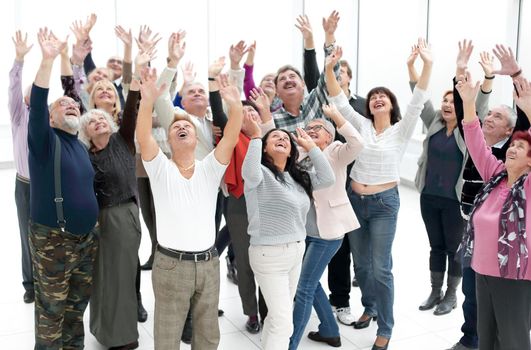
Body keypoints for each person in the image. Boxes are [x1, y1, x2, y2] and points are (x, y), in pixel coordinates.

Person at [326, 38, 433, 350]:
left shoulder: (402, 129)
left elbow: (419, 98)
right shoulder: (360, 124)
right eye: (373, 96)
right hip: (355, 202)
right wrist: (329, 65)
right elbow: (337, 95)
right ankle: (370, 307)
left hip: (385, 204)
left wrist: (425, 64)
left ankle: (385, 327)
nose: (377, 99)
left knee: (381, 267)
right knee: (360, 265)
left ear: (392, 104)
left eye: (383, 96)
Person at [137, 69, 243, 350]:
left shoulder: (209, 167)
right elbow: (144, 136)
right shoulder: (159, 168)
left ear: (197, 138)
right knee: (167, 337)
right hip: (171, 266)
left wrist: (235, 105)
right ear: (169, 140)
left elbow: (231, 138)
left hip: (208, 265)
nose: (182, 128)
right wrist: (147, 101)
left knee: (208, 336)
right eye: (175, 127)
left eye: (188, 127)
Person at [447, 44, 528, 350]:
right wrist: (469, 102)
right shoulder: (494, 174)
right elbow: (474, 137)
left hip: (513, 274)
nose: (513, 149)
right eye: (513, 146)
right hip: (482, 269)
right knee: (486, 339)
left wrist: (518, 76)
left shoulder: (528, 187)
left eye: (520, 148)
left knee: (513, 340)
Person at [28, 27, 99, 349]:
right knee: (51, 309)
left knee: (75, 307)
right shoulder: (44, 141)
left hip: (86, 239)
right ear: (50, 117)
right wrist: (48, 60)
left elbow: (77, 93)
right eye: (62, 105)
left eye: (74, 105)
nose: (71, 106)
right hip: (54, 240)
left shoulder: (80, 144)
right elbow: (41, 99)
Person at [296, 11, 368, 325]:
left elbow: (357, 142)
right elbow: (319, 76)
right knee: (307, 277)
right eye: (334, 75)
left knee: (340, 259)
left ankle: (339, 307)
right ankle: (327, 325)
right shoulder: (309, 130)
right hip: (306, 214)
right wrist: (319, 43)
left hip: (337, 201)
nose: (337, 79)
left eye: (341, 74)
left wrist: (327, 43)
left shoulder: (341, 132)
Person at [78, 48, 152, 350]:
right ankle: (102, 328)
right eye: (92, 121)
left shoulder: (123, 139)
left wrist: (137, 71)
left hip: (124, 217)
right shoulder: (86, 156)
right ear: (85, 129)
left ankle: (123, 336)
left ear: (110, 124)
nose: (98, 122)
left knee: (122, 277)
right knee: (104, 276)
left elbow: (132, 106)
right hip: (100, 221)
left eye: (102, 120)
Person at [411, 40, 491, 316]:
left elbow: (478, 104)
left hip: (455, 201)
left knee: (453, 248)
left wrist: (477, 76)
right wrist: (412, 67)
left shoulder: (467, 131)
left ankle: (451, 294)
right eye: (444, 101)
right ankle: (435, 291)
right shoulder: (434, 121)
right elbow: (418, 97)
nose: (446, 105)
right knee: (436, 246)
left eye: (450, 102)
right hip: (429, 196)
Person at [242, 120, 335, 348]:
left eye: (286, 138)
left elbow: (328, 178)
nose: (282, 139)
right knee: (285, 323)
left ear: (293, 149)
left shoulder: (298, 177)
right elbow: (248, 171)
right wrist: (255, 137)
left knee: (276, 318)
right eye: (274, 137)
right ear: (264, 147)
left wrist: (312, 147)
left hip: (295, 251)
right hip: (268, 255)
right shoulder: (259, 174)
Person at [289, 99, 365, 348]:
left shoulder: (336, 152)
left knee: (304, 287)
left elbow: (357, 143)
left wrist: (338, 119)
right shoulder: (297, 156)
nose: (312, 130)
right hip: (304, 231)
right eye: (308, 127)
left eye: (318, 127)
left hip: (328, 232)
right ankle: (330, 330)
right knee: (310, 282)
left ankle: (290, 343)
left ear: (330, 137)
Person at [8, 30, 34, 304]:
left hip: (48, 187)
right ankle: (30, 283)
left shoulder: (50, 118)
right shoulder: (19, 115)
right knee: (26, 236)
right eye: (32, 90)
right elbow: (14, 87)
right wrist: (19, 60)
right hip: (26, 185)